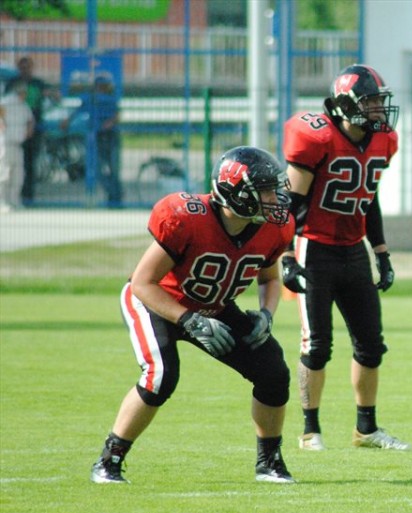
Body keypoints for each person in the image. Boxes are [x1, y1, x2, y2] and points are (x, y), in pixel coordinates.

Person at [90, 146, 297, 484]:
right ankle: (109, 460)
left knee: (272, 370)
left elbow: (270, 279)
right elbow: (142, 282)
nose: (276, 199)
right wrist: (189, 320)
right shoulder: (187, 217)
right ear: (237, 192)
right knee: (161, 375)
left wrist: (266, 314)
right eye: (265, 191)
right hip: (157, 301)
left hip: (214, 307)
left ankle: (269, 462)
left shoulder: (274, 228)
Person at [280, 64, 410, 452]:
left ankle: (366, 430)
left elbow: (369, 199)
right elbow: (290, 205)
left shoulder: (382, 140)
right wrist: (285, 255)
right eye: (370, 102)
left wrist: (381, 253)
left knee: (371, 346)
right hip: (314, 248)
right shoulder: (315, 138)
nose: (378, 110)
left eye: (379, 102)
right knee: (317, 346)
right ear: (346, 104)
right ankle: (310, 431)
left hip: (354, 251)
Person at [62, 73, 123, 205]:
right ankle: (112, 193)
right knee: (97, 168)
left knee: (113, 168)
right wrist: (67, 121)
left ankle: (116, 197)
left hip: (111, 136)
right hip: (98, 137)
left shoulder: (110, 99)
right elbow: (78, 110)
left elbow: (117, 115)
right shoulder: (91, 99)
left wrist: (110, 123)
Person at [5, 57, 51, 203]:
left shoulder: (39, 84)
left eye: (27, 67)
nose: (25, 70)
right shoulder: (12, 84)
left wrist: (51, 94)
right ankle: (9, 198)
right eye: (22, 68)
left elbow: (54, 97)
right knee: (8, 167)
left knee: (29, 164)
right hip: (13, 132)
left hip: (32, 132)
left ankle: (27, 197)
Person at [0, 80, 35, 213]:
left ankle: (14, 201)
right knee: (4, 174)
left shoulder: (23, 105)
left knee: (17, 175)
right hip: (5, 143)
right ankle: (2, 202)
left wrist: (29, 130)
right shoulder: (6, 102)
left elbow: (30, 119)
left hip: (18, 144)